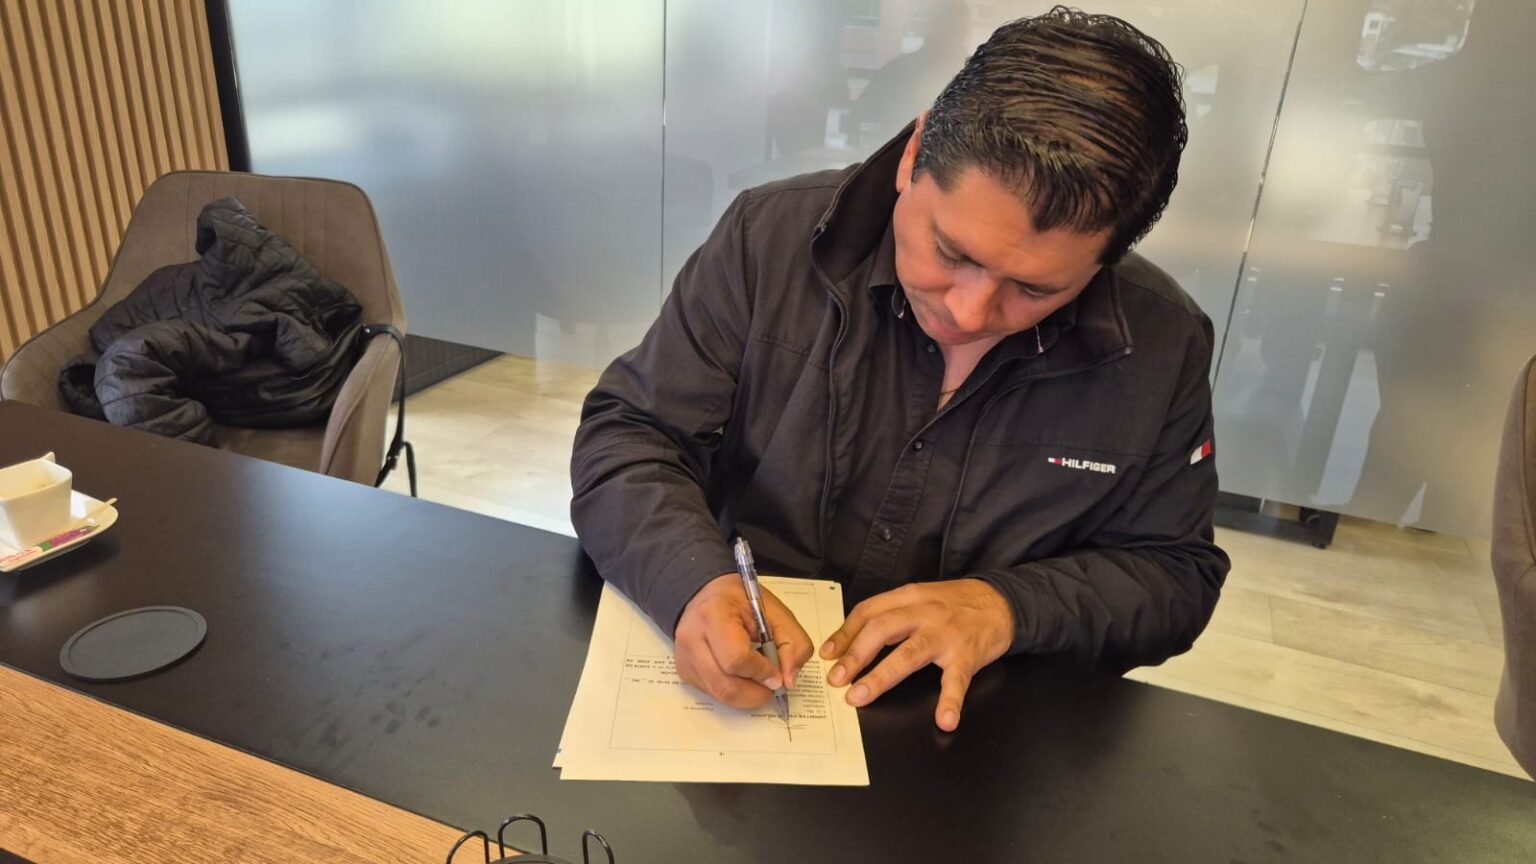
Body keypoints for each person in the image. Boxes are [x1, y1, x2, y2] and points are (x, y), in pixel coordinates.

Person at [571, 6, 1229, 732]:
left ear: (1106, 260)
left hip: (977, 741)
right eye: (952, 252)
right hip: (748, 693)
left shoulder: (1159, 345)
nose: (971, 312)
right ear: (914, 156)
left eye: (1035, 289)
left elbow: (1175, 575)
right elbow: (632, 435)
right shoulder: (771, 242)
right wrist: (692, 580)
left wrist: (1010, 607)